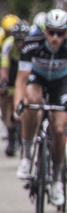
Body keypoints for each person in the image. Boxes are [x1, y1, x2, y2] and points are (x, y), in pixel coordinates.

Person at [13, 10, 67, 208]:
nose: (55, 37)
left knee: (60, 129)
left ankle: (56, 180)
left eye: (60, 33)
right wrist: (18, 104)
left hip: (60, 83)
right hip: (38, 79)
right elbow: (21, 79)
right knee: (31, 101)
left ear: (66, 34)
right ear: (45, 31)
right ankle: (27, 156)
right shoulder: (31, 43)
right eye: (51, 32)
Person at [1, 20, 29, 156]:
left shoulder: (31, 44)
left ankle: (26, 136)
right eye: (17, 40)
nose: (20, 44)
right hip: (13, 70)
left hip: (28, 71)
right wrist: (4, 83)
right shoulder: (8, 44)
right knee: (8, 100)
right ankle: (11, 138)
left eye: (22, 40)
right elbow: (4, 67)